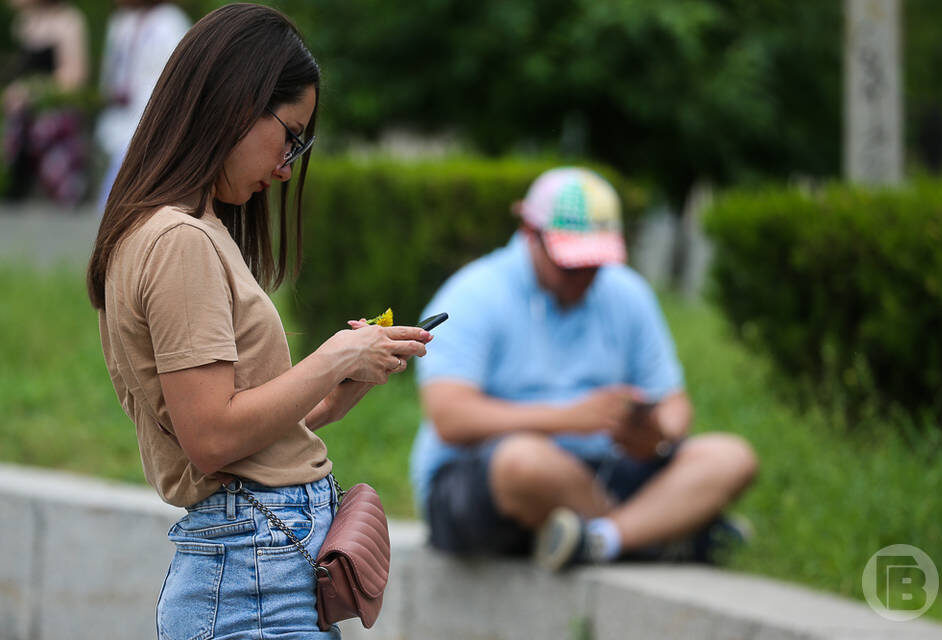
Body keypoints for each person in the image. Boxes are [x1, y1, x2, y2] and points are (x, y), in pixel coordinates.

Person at [86, 5, 432, 637]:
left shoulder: (185, 229)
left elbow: (231, 432)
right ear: (236, 102)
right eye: (291, 136)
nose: (287, 166)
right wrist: (333, 356)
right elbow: (211, 439)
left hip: (257, 568)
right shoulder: (180, 240)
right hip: (252, 575)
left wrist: (331, 397)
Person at [410, 167, 758, 570]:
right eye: (571, 265)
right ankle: (660, 532)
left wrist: (657, 436)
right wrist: (570, 419)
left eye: (595, 263)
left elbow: (675, 404)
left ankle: (599, 540)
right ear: (529, 233)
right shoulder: (474, 293)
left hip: (603, 471)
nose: (585, 277)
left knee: (731, 457)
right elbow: (450, 416)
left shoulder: (627, 292)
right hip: (485, 483)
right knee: (523, 462)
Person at [94, 0, 191, 208]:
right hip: (120, 117)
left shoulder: (170, 22)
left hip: (154, 116)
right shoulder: (121, 23)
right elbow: (111, 72)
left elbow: (179, 79)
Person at [2, 0, 89, 204]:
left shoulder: (68, 21)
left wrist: (31, 91)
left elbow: (75, 77)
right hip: (23, 126)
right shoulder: (23, 23)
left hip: (54, 126)